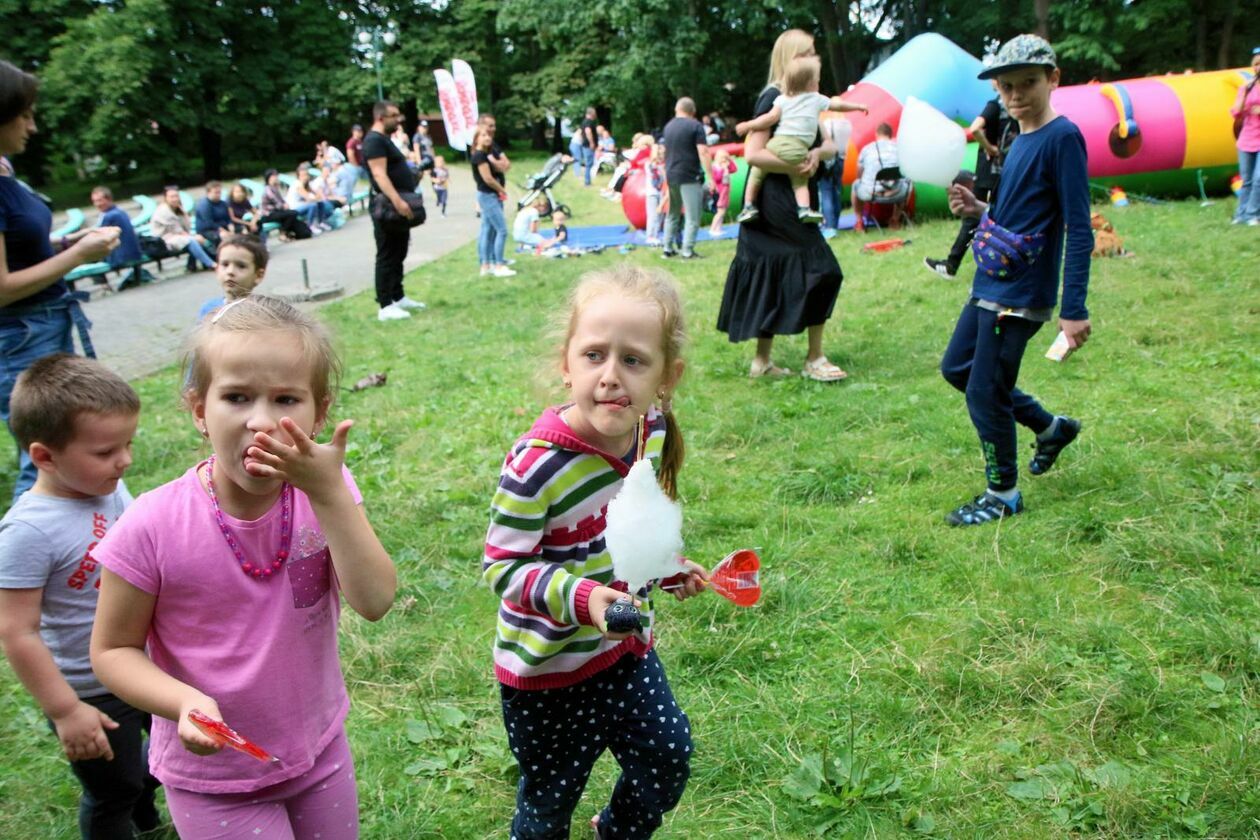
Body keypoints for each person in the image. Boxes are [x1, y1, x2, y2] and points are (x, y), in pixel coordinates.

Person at [89, 295, 397, 839]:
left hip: (318, 750)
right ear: (199, 411)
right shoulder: (151, 525)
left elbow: (373, 601)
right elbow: (112, 650)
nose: (260, 421)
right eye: (235, 397)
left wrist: (329, 495)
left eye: (285, 398)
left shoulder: (325, 494)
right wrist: (181, 701)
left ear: (319, 412)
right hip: (213, 777)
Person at [482, 265, 707, 840]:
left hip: (624, 652)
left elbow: (632, 527)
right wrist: (585, 601)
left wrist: (667, 568)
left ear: (666, 376)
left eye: (633, 360)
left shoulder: (648, 430)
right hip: (547, 671)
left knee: (667, 757)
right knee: (549, 802)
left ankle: (619, 830)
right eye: (593, 356)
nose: (610, 377)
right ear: (566, 363)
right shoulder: (536, 467)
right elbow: (503, 567)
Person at [0, 354, 160, 840]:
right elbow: (16, 630)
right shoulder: (27, 532)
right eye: (107, 450)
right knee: (114, 790)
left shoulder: (108, 486)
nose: (125, 460)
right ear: (44, 456)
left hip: (143, 667)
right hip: (89, 691)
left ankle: (150, 825)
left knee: (158, 766)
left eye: (128, 444)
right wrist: (66, 710)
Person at [940, 34, 1092, 526]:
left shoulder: (1062, 137)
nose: (1016, 95)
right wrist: (979, 208)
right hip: (990, 281)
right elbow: (1018, 212)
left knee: (986, 390)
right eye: (1007, 86)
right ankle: (1051, 429)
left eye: (1028, 83)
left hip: (1021, 295)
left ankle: (1002, 493)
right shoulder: (1016, 136)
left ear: (1053, 79)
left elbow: (1077, 225)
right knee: (958, 369)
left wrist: (1073, 309)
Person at [1, 61, 120, 498]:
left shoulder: (5, 171)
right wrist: (76, 255)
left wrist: (69, 239)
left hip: (43, 325)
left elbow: (21, 242)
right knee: (44, 459)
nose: (32, 126)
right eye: (24, 114)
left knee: (63, 449)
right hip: (21, 336)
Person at [717, 31, 846, 381]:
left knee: (774, 274)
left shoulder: (808, 97)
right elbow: (752, 153)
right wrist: (793, 165)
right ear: (790, 58)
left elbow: (830, 144)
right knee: (823, 269)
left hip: (797, 196)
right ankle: (815, 359)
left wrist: (817, 154)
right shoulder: (774, 97)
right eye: (807, 53)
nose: (812, 59)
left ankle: (762, 362)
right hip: (776, 202)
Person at [735, 56, 868, 225]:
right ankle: (804, 208)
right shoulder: (816, 99)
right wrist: (858, 106)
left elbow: (769, 118)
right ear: (811, 84)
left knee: (757, 172)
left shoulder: (782, 100)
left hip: (778, 145)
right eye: (817, 80)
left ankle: (749, 205)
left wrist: (748, 125)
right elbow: (838, 105)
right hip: (800, 151)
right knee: (799, 182)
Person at [925, 83, 1019, 276]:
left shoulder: (995, 105)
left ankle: (952, 264)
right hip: (1006, 169)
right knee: (993, 214)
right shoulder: (1016, 109)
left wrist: (989, 148)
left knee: (974, 218)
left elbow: (975, 128)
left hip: (988, 171)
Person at [364, 100, 427, 321]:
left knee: (399, 251)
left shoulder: (384, 140)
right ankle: (385, 304)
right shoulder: (373, 141)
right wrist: (398, 201)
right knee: (387, 254)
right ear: (381, 117)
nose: (398, 119)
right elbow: (379, 174)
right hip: (388, 206)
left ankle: (398, 296)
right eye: (394, 115)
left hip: (397, 204)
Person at [661, 97, 712, 259]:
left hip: (671, 175)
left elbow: (665, 152)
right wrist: (710, 177)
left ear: (677, 109)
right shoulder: (695, 125)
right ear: (693, 112)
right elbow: (703, 151)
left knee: (673, 213)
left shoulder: (668, 127)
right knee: (693, 216)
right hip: (689, 176)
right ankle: (687, 251)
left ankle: (667, 249)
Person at [471, 127, 515, 277]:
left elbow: (504, 166)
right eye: (483, 135)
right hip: (488, 196)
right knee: (501, 230)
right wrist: (501, 190)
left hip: (490, 195)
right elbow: (488, 179)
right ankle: (498, 265)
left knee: (489, 230)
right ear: (477, 139)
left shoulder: (485, 154)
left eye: (489, 135)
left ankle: (486, 265)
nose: (487, 137)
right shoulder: (479, 156)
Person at [851, 123, 910, 231]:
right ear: (891, 135)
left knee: (856, 184)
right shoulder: (899, 148)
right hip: (896, 193)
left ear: (877, 134)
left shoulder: (867, 149)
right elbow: (906, 172)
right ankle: (895, 219)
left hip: (871, 193)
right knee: (906, 184)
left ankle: (859, 221)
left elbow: (859, 173)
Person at [89, 186, 150, 289]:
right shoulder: (120, 211)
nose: (97, 204)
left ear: (109, 199)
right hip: (134, 253)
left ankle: (105, 286)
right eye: (94, 201)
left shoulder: (109, 216)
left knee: (86, 255)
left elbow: (97, 237)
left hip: (122, 257)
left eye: (100, 200)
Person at [196, 235, 267, 322]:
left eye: (241, 266)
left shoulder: (262, 316)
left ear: (258, 275)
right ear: (217, 269)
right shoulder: (208, 309)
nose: (230, 271)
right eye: (225, 264)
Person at [150, 186, 216, 271]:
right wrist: (194, 237)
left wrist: (183, 213)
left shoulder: (178, 208)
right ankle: (211, 264)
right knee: (192, 240)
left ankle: (192, 265)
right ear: (166, 198)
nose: (175, 199)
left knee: (199, 238)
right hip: (164, 241)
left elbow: (185, 228)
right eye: (171, 197)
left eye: (176, 196)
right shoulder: (164, 211)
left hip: (177, 237)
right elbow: (178, 231)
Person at [1230, 47, 1260, 226]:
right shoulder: (1246, 87)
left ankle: (1253, 214)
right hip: (1247, 139)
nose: (1258, 67)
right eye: (1256, 64)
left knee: (1259, 179)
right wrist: (1244, 94)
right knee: (1246, 179)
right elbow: (1235, 111)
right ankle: (1241, 214)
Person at [258, 169, 307, 241]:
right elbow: (277, 203)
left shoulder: (275, 188)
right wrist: (284, 206)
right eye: (274, 176)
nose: (276, 177)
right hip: (268, 214)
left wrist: (285, 205)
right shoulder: (268, 189)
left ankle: (290, 233)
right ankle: (283, 233)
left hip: (278, 212)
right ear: (269, 178)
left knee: (293, 215)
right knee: (292, 213)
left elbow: (282, 200)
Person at [285, 165, 335, 233]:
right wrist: (315, 197)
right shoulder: (298, 184)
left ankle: (321, 222)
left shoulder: (307, 185)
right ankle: (310, 226)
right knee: (313, 205)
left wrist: (315, 197)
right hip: (294, 208)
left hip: (302, 205)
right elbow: (309, 198)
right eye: (302, 175)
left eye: (306, 175)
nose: (305, 177)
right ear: (298, 176)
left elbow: (316, 196)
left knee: (321, 203)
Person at [193, 181, 233, 248]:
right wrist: (225, 231)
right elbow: (209, 223)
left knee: (241, 231)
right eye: (216, 192)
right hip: (207, 230)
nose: (218, 194)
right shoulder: (204, 205)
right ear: (208, 193)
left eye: (219, 192)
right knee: (224, 236)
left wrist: (231, 228)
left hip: (223, 227)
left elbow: (228, 218)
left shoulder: (223, 203)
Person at [709, 148, 738, 235]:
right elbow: (716, 179)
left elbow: (734, 169)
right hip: (719, 193)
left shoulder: (726, 166)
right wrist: (723, 169)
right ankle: (713, 229)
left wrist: (730, 160)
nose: (724, 160)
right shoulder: (715, 167)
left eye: (726, 158)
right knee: (720, 211)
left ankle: (718, 229)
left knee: (723, 211)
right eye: (723, 158)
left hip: (725, 192)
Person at [643, 143, 667, 246]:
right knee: (653, 215)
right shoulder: (649, 164)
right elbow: (654, 175)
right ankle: (650, 236)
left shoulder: (662, 165)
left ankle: (656, 235)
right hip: (652, 193)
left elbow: (665, 178)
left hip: (661, 192)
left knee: (660, 214)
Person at [579, 106, 599, 186]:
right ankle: (587, 182)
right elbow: (588, 131)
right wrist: (592, 142)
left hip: (585, 145)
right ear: (591, 113)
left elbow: (581, 133)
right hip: (588, 146)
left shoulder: (584, 122)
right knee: (589, 164)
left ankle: (587, 180)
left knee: (588, 163)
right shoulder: (588, 122)